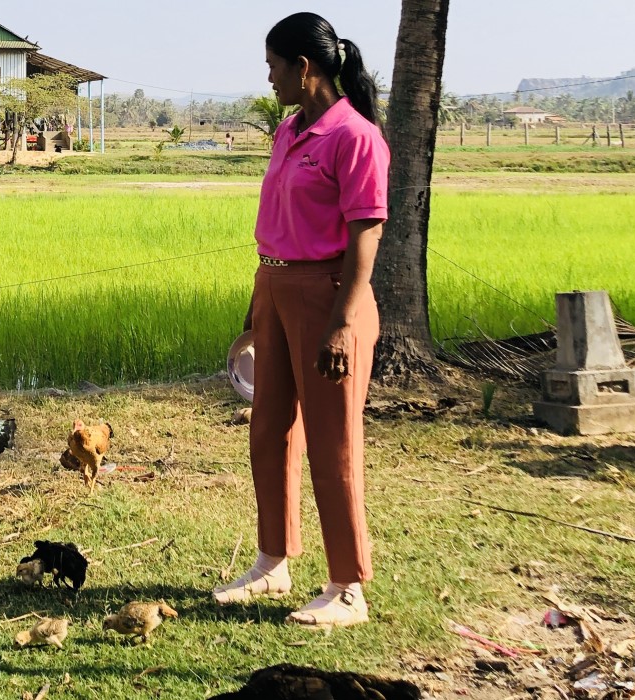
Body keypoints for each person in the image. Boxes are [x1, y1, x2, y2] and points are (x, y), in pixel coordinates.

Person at [210, 11, 388, 630]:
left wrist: (343, 321)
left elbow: (366, 232)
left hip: (329, 295)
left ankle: (347, 587)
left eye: (274, 67)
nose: (269, 79)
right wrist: (260, 301)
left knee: (332, 441)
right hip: (276, 288)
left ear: (303, 68)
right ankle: (273, 561)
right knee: (269, 430)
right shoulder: (290, 131)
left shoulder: (355, 137)